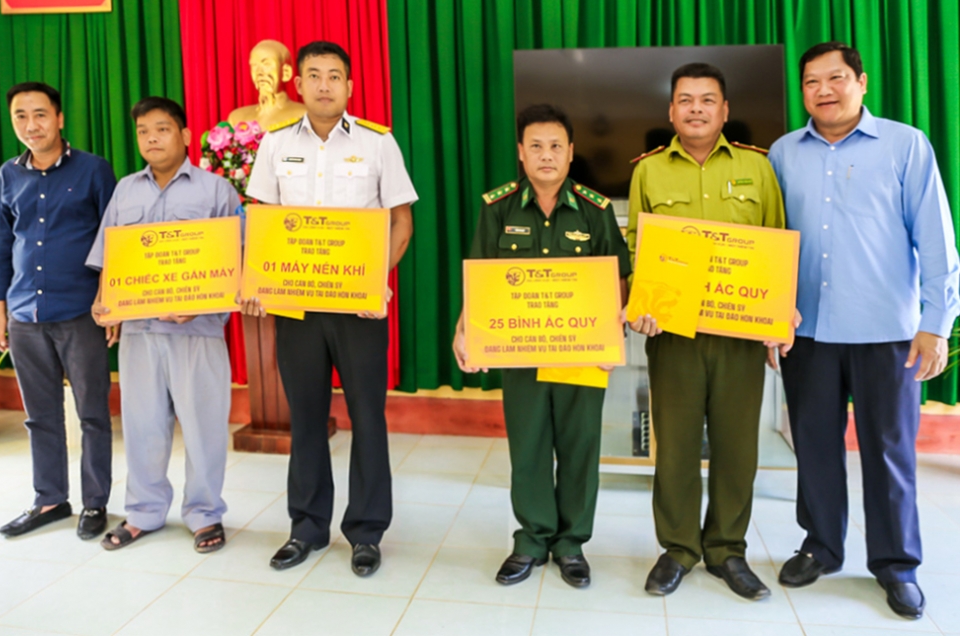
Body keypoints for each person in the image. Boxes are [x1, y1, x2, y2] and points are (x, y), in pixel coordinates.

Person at [768, 42, 960, 620]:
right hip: (807, 332)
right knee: (814, 446)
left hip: (887, 333)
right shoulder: (782, 152)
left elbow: (936, 238)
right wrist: (768, 319)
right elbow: (768, 244)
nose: (823, 90)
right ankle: (821, 547)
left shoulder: (906, 145)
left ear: (862, 81)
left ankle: (897, 565)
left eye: (835, 78)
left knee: (889, 451)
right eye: (811, 82)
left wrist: (936, 325)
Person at [243, 41, 417, 577]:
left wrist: (376, 280)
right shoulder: (275, 144)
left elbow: (401, 222)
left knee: (367, 416)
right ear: (298, 84)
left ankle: (366, 531)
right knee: (306, 418)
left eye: (334, 76)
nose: (324, 85)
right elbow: (264, 221)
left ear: (349, 86)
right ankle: (307, 527)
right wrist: (258, 280)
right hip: (296, 306)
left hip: (358, 309)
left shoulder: (377, 142)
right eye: (314, 75)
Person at [453, 104, 630, 589]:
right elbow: (480, 278)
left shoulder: (595, 210)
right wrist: (464, 330)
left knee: (579, 447)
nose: (546, 155)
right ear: (521, 153)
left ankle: (571, 544)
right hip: (521, 350)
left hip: (581, 353)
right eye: (536, 146)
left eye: (555, 146)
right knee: (528, 445)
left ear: (571, 152)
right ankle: (531, 540)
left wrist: (611, 338)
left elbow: (618, 278)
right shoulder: (499, 207)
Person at [627, 63, 785, 600]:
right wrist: (642, 303)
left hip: (740, 335)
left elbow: (777, 241)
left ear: (725, 110)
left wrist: (777, 315)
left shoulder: (757, 167)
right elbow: (637, 248)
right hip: (674, 334)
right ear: (671, 111)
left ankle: (726, 550)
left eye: (707, 99)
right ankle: (677, 550)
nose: (696, 108)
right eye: (686, 100)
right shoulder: (649, 171)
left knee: (737, 447)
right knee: (674, 446)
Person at [87, 96, 241, 554]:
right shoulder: (125, 191)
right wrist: (104, 303)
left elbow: (236, 263)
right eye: (143, 132)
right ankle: (144, 512)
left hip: (197, 331)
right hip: (139, 332)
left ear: (185, 135)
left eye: (162, 129)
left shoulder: (216, 191)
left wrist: (200, 304)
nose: (151, 139)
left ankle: (205, 514)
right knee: (142, 426)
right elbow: (110, 257)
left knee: (204, 428)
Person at [0, 82, 116, 541]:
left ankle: (95, 502)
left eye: (40, 114)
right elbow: (3, 241)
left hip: (81, 311)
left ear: (59, 119)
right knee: (39, 415)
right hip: (25, 313)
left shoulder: (94, 170)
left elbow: (114, 238)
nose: (31, 125)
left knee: (92, 413)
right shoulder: (9, 174)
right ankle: (50, 500)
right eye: (20, 116)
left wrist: (112, 301)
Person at [227, 39, 306, 130]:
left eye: (267, 64)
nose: (259, 72)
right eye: (254, 66)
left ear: (286, 72)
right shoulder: (236, 118)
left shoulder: (304, 115)